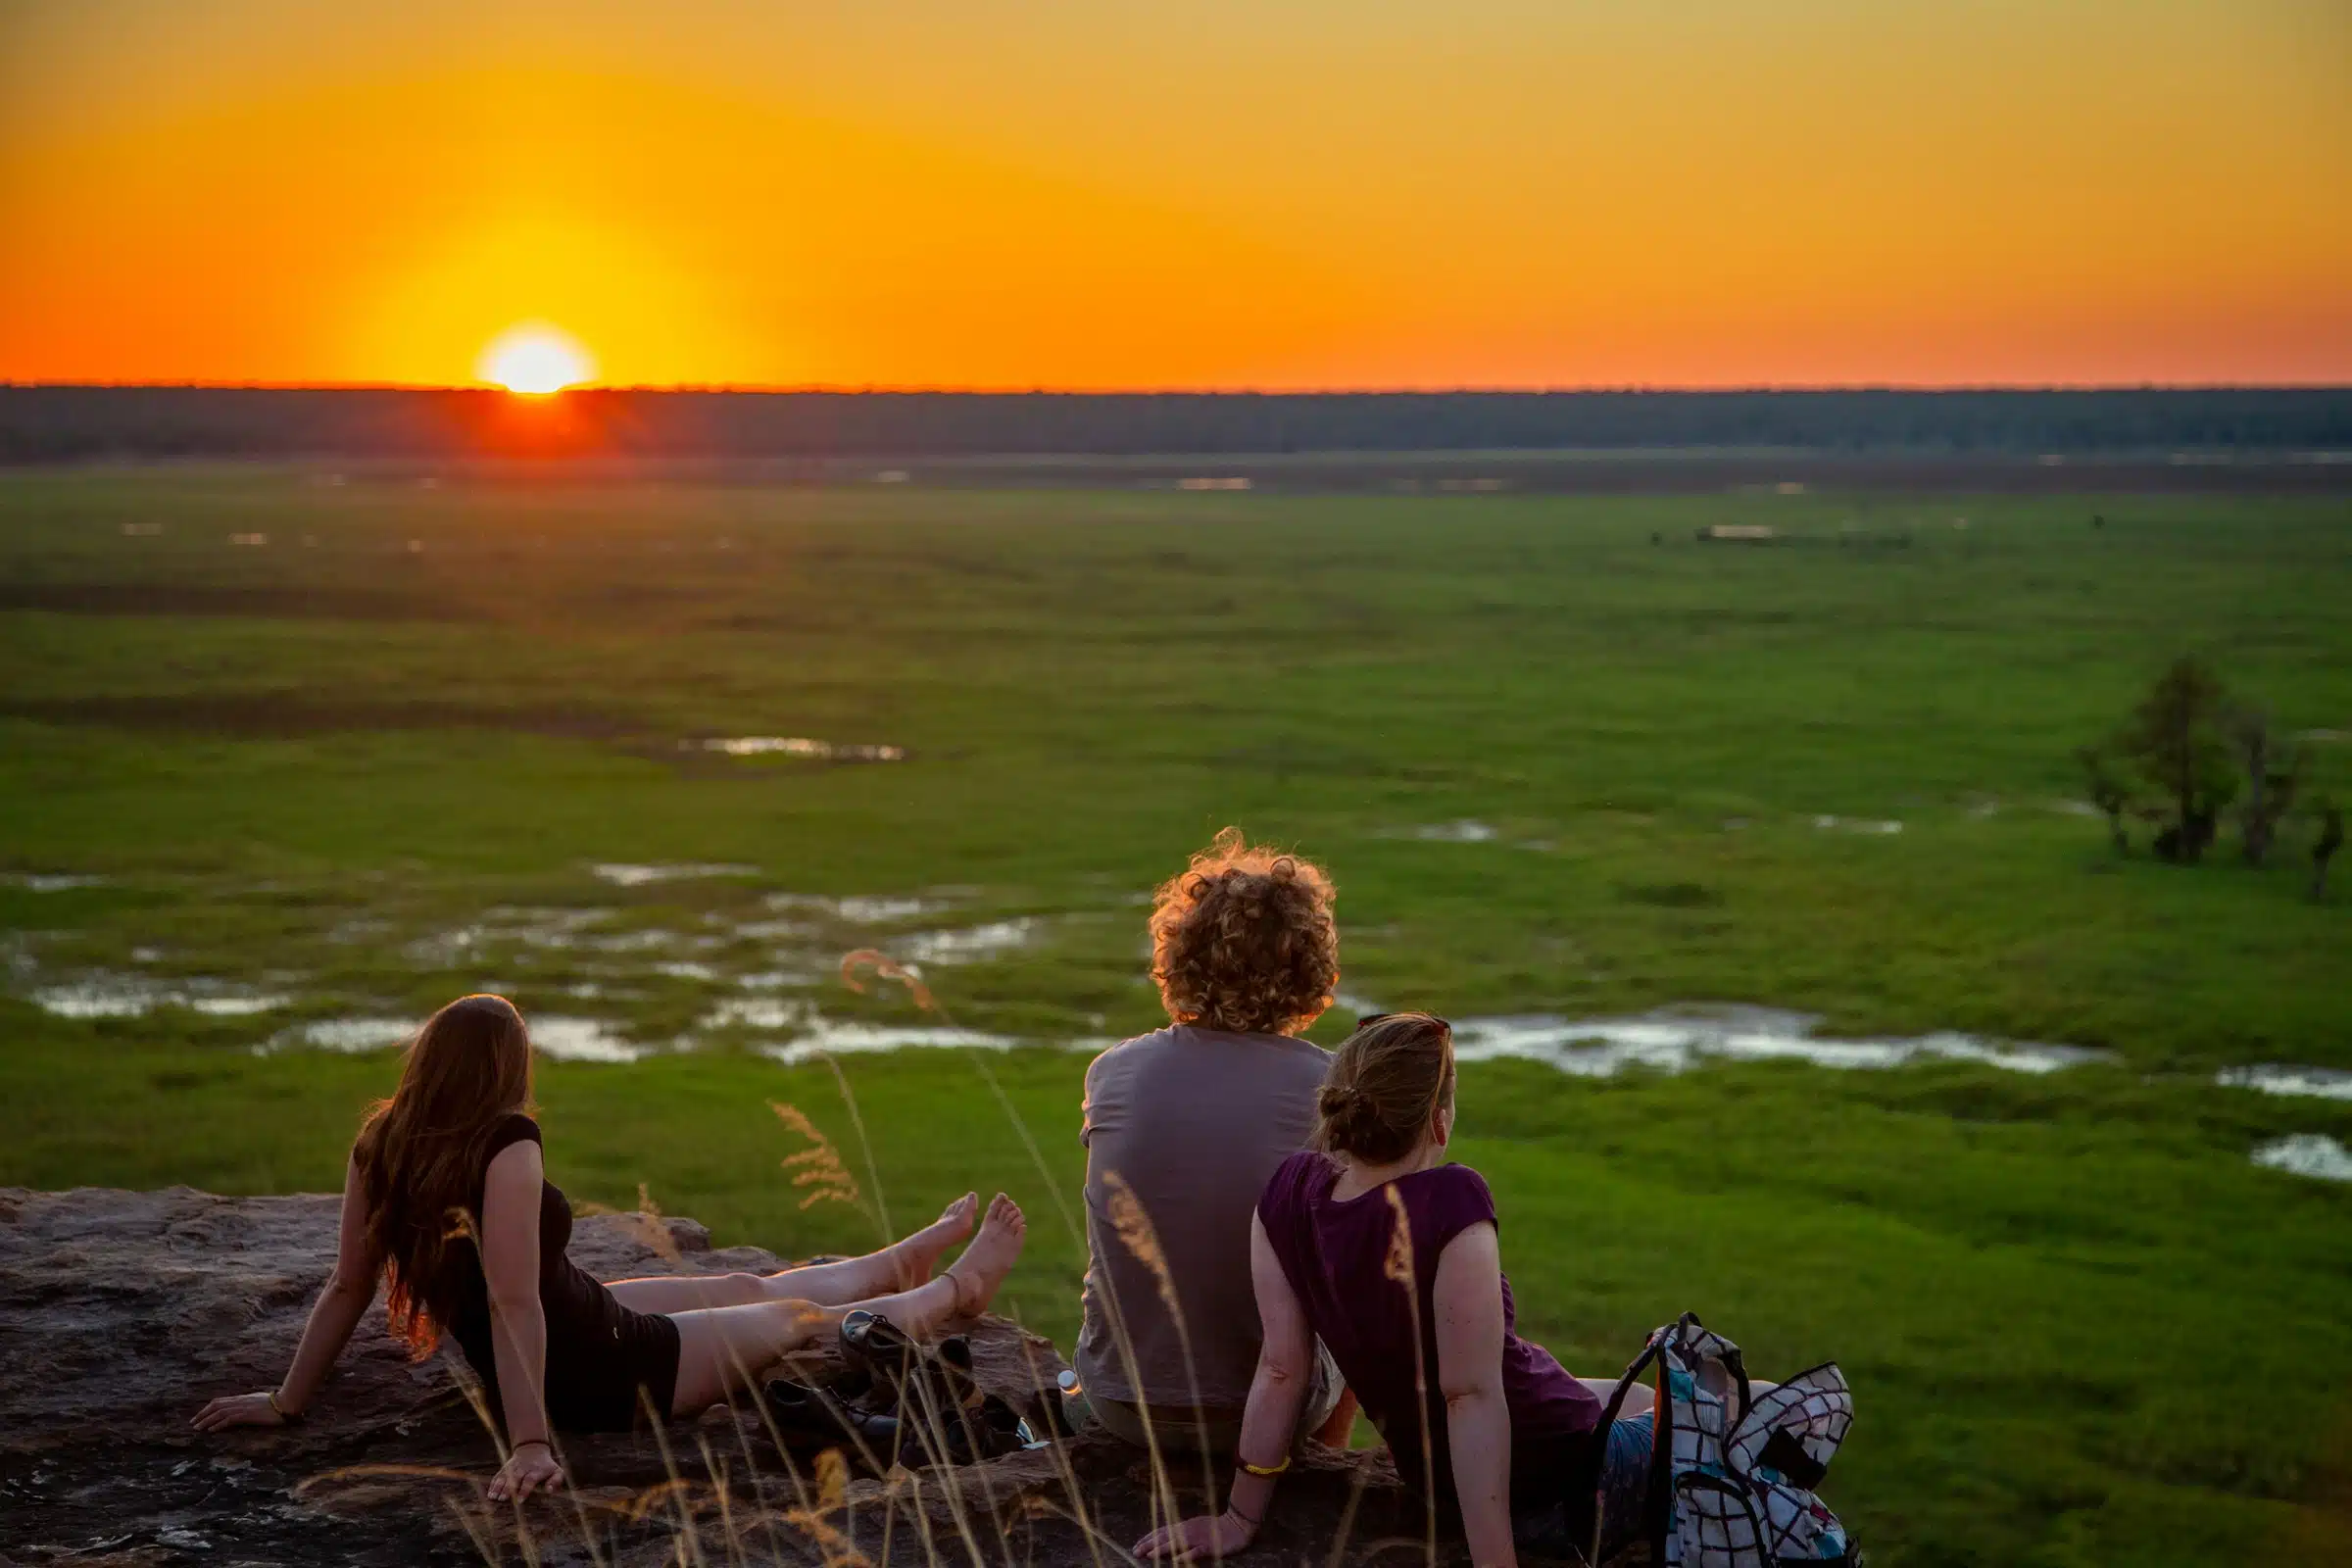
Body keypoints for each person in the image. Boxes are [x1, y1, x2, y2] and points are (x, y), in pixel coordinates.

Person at [193, 993, 1026, 1502]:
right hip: (603, 1367)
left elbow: (347, 1286)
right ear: (503, 1071)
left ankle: (899, 1259)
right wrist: (529, 1444)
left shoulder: (384, 1139)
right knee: (796, 1319)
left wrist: (289, 1401)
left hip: (584, 1315)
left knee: (742, 1280)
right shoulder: (505, 1142)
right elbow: (509, 1300)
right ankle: (957, 1291)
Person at [1137, 1012, 1702, 1568]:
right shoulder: (1450, 1202)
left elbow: (1283, 1369)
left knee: (1630, 1395)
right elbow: (1470, 1399)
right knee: (1722, 1397)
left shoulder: (1287, 1193)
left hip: (1451, 1477)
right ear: (1438, 1121)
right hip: (1562, 1484)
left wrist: (1239, 1517)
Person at [1075, 827, 1353, 1461]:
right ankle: (1330, 1460)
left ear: (1179, 954)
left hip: (1121, 1402)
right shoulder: (1334, 1086)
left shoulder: (1114, 1071)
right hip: (1280, 1414)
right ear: (1309, 966)